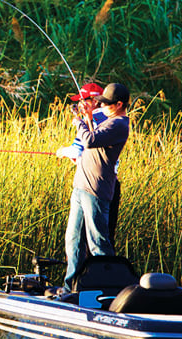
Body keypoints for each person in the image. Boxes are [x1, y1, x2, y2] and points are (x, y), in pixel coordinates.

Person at [60, 83, 130, 292]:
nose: (103, 107)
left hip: (97, 190)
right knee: (73, 240)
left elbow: (90, 140)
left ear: (119, 105)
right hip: (80, 186)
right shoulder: (103, 120)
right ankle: (71, 288)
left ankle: (108, 290)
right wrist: (89, 117)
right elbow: (89, 140)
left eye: (107, 103)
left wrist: (79, 121)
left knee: (98, 244)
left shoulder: (118, 124)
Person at [57, 83, 121, 247]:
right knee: (104, 236)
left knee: (89, 240)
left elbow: (77, 149)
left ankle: (92, 271)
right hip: (108, 183)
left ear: (94, 100)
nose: (79, 105)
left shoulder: (95, 119)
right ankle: (101, 270)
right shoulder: (109, 120)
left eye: (83, 100)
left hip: (94, 185)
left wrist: (63, 151)